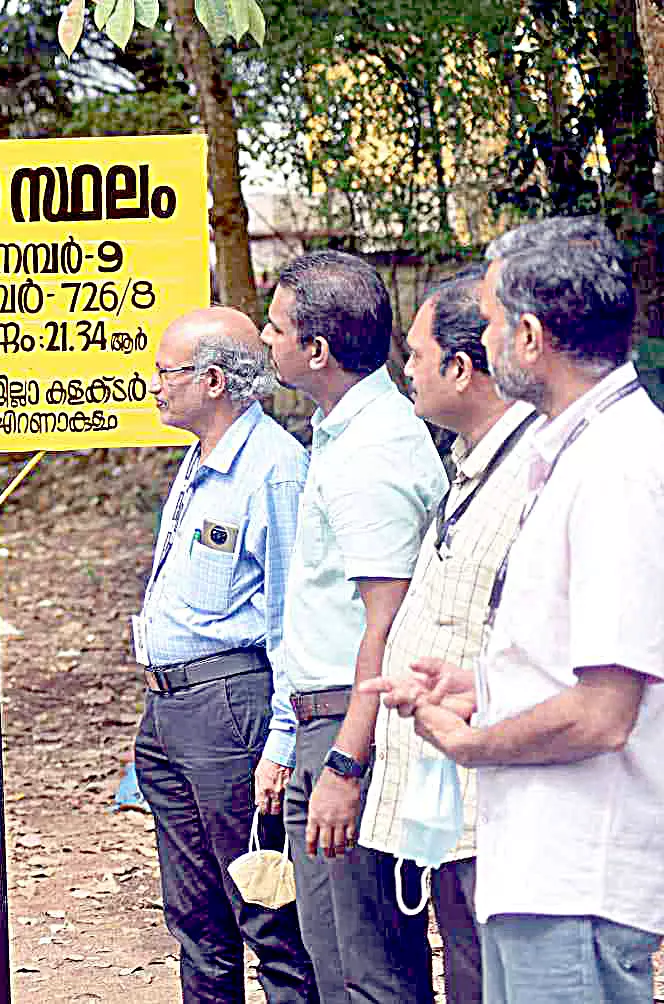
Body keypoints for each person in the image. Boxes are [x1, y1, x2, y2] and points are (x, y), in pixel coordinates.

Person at [372, 219, 664, 1004]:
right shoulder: (577, 451)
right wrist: (482, 684)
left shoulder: (617, 466)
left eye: (496, 322)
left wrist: (474, 743)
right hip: (538, 869)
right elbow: (584, 662)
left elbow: (604, 713)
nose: (490, 340)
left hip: (577, 878)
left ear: (530, 337)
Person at [256, 250, 447, 1004]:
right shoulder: (339, 434)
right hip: (317, 723)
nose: (266, 344)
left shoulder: (372, 451)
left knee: (373, 974)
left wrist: (344, 765)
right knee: (333, 967)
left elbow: (387, 624)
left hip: (350, 726)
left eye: (276, 329)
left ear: (317, 351)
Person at [356, 268, 538, 1004]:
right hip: (451, 804)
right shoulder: (469, 468)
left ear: (462, 369)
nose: (406, 373)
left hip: (501, 801)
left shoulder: (537, 474)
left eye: (418, 357)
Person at [130, 308, 317, 1004]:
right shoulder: (201, 459)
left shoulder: (274, 471)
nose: (153, 385)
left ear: (211, 381)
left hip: (230, 711)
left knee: (267, 915)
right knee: (195, 919)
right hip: (171, 711)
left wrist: (281, 741)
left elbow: (291, 622)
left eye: (165, 372)